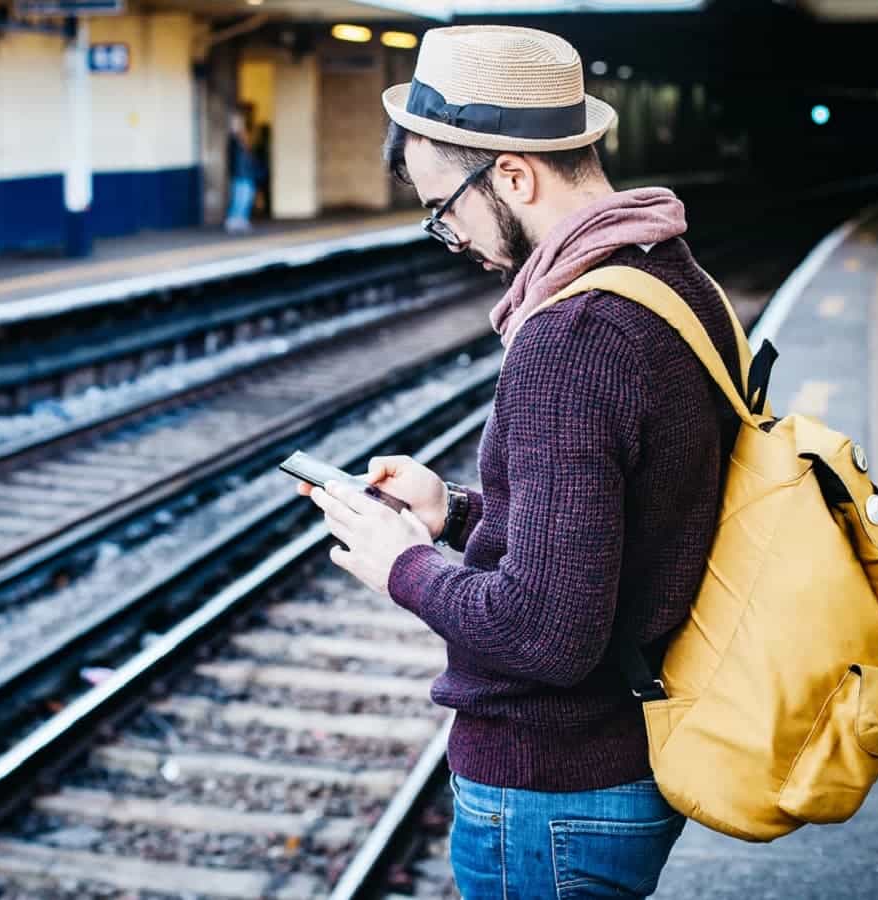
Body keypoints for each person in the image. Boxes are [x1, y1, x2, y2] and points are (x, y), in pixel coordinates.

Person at [295, 25, 743, 898]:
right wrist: (454, 512)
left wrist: (404, 567)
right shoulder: (675, 278)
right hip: (622, 759)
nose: (449, 235)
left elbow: (544, 631)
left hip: (551, 787)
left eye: (444, 207)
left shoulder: (571, 337)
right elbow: (635, 514)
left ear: (512, 174)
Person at [225, 107, 258, 233]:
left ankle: (241, 219)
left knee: (247, 196)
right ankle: (233, 220)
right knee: (240, 197)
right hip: (240, 174)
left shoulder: (243, 143)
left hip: (247, 173)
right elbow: (233, 159)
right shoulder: (234, 141)